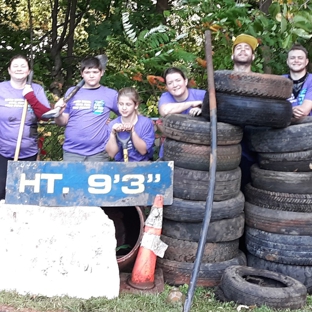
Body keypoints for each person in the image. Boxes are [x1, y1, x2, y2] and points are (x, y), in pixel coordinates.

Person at [0, 54, 51, 200]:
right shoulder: (1, 89)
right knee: (2, 188)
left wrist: (30, 97)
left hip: (29, 151)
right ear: (9, 70)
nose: (19, 69)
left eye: (23, 66)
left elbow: (45, 116)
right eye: (15, 66)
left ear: (28, 71)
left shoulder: (36, 89)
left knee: (25, 193)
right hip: (3, 150)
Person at [54, 56, 119, 161]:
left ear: (101, 72)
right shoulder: (72, 92)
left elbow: (127, 114)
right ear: (82, 74)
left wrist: (114, 124)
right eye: (88, 72)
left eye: (95, 72)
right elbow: (62, 121)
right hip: (72, 152)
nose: (91, 76)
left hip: (99, 153)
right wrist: (58, 114)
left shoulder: (111, 94)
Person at [157, 67, 206, 159]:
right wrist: (191, 104)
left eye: (178, 80)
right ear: (167, 87)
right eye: (170, 83)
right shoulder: (166, 97)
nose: (175, 85)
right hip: (171, 151)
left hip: (198, 152)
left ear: (185, 81)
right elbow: (165, 111)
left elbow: (219, 106)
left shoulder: (201, 95)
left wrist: (203, 109)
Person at [232, 34, 259, 190]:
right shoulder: (219, 82)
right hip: (226, 142)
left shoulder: (263, 85)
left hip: (253, 143)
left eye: (247, 48)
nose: (243, 50)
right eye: (239, 48)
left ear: (253, 56)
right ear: (232, 55)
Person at [106, 87, 155, 162]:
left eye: (128, 104)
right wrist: (112, 134)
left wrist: (133, 132)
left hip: (143, 165)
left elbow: (143, 151)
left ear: (136, 105)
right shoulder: (112, 124)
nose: (124, 108)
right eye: (121, 104)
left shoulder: (146, 123)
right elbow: (111, 154)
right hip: (120, 166)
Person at [283, 44, 312, 118]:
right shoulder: (280, 81)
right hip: (282, 126)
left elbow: (304, 111)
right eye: (292, 58)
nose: (296, 60)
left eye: (300, 58)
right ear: (287, 61)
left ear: (306, 62)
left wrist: (284, 111)